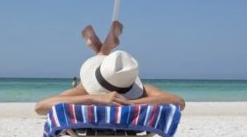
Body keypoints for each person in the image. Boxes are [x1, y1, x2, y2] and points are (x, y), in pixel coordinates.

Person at [35, 21, 185, 115]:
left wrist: (94, 98)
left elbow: (40, 107)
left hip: (92, 94)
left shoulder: (84, 90)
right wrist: (129, 103)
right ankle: (104, 48)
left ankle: (104, 49)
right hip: (128, 98)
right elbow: (179, 101)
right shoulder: (144, 92)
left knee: (90, 80)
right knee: (111, 69)